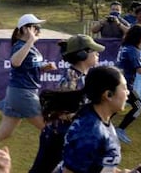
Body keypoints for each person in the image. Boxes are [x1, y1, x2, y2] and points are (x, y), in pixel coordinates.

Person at [29, 34, 105, 173]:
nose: (97, 53)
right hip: (59, 136)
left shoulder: (81, 77)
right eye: (94, 50)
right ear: (82, 54)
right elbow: (61, 112)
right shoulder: (71, 79)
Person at [55, 65, 141, 173]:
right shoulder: (89, 132)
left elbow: (97, 166)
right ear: (108, 95)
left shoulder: (101, 120)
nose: (128, 92)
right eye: (124, 88)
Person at [0, 14, 57, 143]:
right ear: (24, 29)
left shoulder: (30, 46)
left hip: (20, 92)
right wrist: (30, 41)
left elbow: (28, 66)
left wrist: (43, 67)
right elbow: (15, 62)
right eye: (35, 27)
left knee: (3, 133)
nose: (38, 30)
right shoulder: (21, 46)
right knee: (50, 129)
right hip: (23, 93)